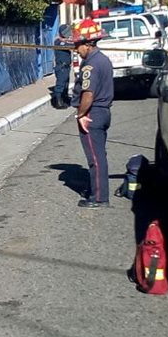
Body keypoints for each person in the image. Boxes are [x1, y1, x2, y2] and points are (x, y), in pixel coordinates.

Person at [70, 18, 114, 208]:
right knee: (100, 154)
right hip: (103, 112)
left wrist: (80, 115)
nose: (76, 49)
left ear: (88, 44)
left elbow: (88, 94)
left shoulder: (90, 66)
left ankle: (99, 198)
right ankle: (98, 189)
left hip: (92, 113)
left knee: (95, 158)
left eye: (78, 45)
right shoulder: (103, 59)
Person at [51, 23, 73, 109]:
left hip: (66, 67)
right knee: (60, 85)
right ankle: (58, 103)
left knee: (66, 85)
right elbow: (71, 46)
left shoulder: (64, 41)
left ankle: (65, 99)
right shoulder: (58, 42)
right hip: (61, 67)